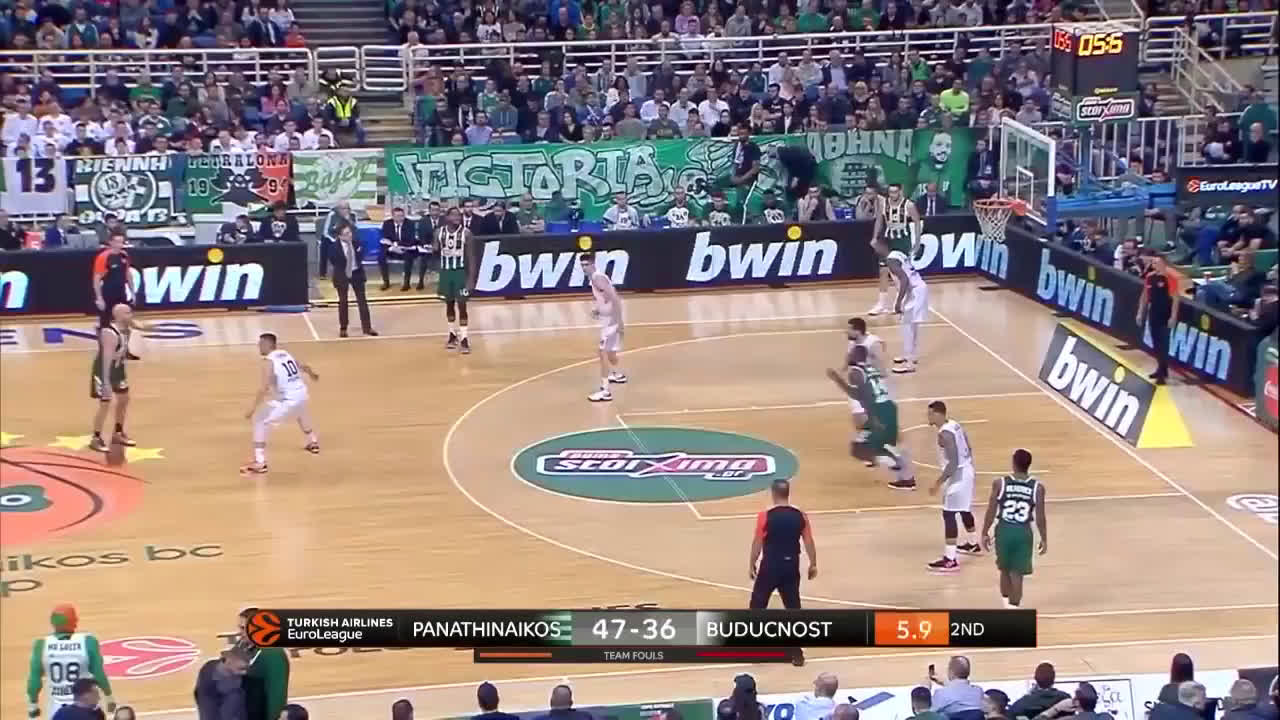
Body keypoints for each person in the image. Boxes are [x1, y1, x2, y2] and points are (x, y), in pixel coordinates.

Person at [825, 344, 916, 489]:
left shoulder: (855, 372)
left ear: (855, 356)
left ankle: (894, 462)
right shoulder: (872, 369)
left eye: (850, 353)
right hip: (888, 407)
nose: (848, 356)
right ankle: (906, 477)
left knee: (859, 449)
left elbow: (861, 395)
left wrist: (837, 379)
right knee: (876, 443)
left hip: (878, 411)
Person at [240, 333, 320, 475]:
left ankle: (260, 462)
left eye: (260, 343)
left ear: (268, 344)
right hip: (302, 395)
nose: (258, 346)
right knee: (301, 412)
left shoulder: (268, 362)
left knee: (259, 420)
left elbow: (264, 388)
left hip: (288, 400)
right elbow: (303, 366)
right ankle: (313, 442)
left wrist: (252, 408)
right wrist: (313, 375)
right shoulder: (285, 354)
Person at [89, 304, 160, 452]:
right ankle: (96, 438)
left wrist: (156, 326)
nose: (131, 315)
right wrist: (106, 383)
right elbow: (106, 359)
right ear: (119, 315)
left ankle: (118, 433)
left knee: (123, 400)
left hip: (118, 370)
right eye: (127, 313)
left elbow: (141, 326)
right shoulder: (110, 333)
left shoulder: (127, 326)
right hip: (103, 371)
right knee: (105, 404)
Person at [981, 449, 1047, 608]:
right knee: (1017, 574)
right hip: (1023, 532)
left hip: (1004, 530)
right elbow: (1040, 517)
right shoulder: (1037, 488)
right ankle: (1013, 609)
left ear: (1013, 463)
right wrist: (1044, 538)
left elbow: (991, 510)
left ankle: (1006, 606)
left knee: (1004, 569)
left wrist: (984, 532)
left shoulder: (1000, 483)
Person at [27, 604, 116, 719]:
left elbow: (34, 680)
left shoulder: (41, 645)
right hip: (85, 704)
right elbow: (99, 674)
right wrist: (109, 696)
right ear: (74, 621)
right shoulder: (88, 641)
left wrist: (33, 704)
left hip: (57, 709)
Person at [748, 478, 816, 611]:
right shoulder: (801, 515)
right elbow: (809, 541)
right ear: (787, 493)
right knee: (793, 607)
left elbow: (757, 542)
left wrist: (752, 564)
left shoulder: (765, 516)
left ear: (773, 493)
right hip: (791, 566)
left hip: (770, 567)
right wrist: (813, 564)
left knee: (757, 605)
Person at [927, 401, 979, 572]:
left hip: (958, 475)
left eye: (930, 414)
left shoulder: (944, 435)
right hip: (967, 470)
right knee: (963, 508)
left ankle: (950, 559)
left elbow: (953, 463)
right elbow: (969, 446)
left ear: (938, 414)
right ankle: (973, 543)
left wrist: (938, 482)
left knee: (949, 514)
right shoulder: (955, 424)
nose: (928, 417)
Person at [869, 183, 921, 317]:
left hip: (902, 241)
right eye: (890, 192)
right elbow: (879, 221)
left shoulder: (909, 205)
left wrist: (917, 243)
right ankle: (881, 304)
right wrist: (875, 237)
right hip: (888, 239)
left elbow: (917, 222)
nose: (892, 195)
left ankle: (902, 299)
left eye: (895, 192)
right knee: (883, 271)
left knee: (898, 272)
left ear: (900, 192)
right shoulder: (883, 204)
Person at [582, 252, 628, 401]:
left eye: (587, 264)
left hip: (611, 322)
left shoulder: (598, 278)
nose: (584, 268)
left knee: (602, 352)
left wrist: (619, 322)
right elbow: (605, 298)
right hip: (608, 320)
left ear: (593, 264)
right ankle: (616, 374)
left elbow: (614, 297)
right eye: (582, 265)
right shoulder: (594, 279)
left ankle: (605, 391)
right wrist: (598, 309)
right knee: (611, 352)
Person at [879, 240, 928, 374]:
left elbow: (905, 280)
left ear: (883, 246)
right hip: (918, 288)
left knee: (907, 326)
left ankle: (909, 364)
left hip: (915, 291)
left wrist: (898, 301)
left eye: (877, 246)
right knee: (912, 325)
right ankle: (910, 355)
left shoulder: (891, 260)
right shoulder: (898, 254)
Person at [233, 608, 290, 720]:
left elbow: (276, 696)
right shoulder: (243, 644)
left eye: (243, 628)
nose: (240, 632)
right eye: (240, 628)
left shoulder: (273, 655)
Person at [92, 231, 140, 361]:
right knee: (105, 324)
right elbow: (96, 278)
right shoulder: (104, 257)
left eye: (122, 242)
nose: (120, 244)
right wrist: (99, 298)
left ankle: (125, 350)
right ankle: (104, 352)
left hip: (121, 293)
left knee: (124, 322)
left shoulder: (124, 255)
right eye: (117, 242)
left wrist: (132, 292)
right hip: (108, 294)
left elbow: (128, 274)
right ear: (111, 242)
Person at [436, 206, 477, 354]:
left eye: (459, 215)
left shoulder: (467, 233)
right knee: (449, 304)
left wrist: (471, 279)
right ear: (447, 217)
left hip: (460, 273)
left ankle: (464, 338)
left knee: (462, 305)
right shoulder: (439, 233)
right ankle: (452, 334)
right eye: (453, 215)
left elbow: (472, 258)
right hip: (446, 273)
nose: (457, 217)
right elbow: (435, 250)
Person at [1137, 251, 1180, 385]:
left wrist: (1173, 316)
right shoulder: (1149, 277)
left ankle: (1161, 373)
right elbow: (1144, 296)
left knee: (1163, 344)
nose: (1155, 265)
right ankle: (1162, 369)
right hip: (1153, 313)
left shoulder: (1170, 278)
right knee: (1156, 343)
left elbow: (1175, 298)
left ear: (1164, 264)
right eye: (1154, 263)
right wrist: (1140, 312)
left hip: (1165, 313)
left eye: (1157, 262)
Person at [329, 224, 378, 338]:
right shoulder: (334, 247)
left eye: (350, 232)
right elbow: (334, 261)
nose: (349, 235)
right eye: (346, 234)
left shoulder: (357, 243)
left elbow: (361, 255)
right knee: (343, 301)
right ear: (340, 236)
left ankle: (367, 327)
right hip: (342, 275)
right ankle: (343, 328)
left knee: (362, 301)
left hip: (357, 273)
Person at [194, 648, 251, 720]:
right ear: (228, 662)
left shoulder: (209, 666)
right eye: (241, 668)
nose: (244, 672)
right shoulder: (233, 689)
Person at [379, 206, 418, 292]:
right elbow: (385, 239)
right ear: (393, 216)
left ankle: (406, 283)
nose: (400, 218)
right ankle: (386, 282)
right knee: (381, 257)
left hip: (405, 248)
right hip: (391, 249)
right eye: (397, 216)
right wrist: (392, 248)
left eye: (402, 216)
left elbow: (411, 240)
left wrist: (397, 245)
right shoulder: (387, 224)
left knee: (409, 257)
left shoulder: (410, 224)